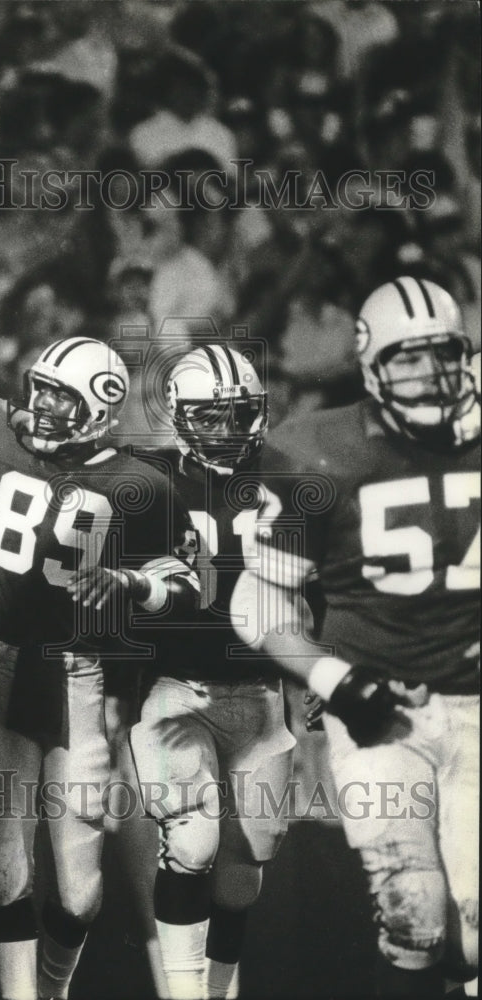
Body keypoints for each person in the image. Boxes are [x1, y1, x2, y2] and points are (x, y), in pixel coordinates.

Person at [0, 239, 200, 1000]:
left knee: (80, 897)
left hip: (78, 679)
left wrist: (132, 595)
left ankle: (49, 984)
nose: (41, 407)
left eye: (61, 399)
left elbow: (181, 584)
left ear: (101, 414)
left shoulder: (138, 483)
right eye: (40, 390)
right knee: (6, 869)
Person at [231, 277, 480, 998]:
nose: (429, 376)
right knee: (415, 915)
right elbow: (256, 600)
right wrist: (335, 682)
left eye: (442, 357)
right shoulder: (315, 451)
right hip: (379, 716)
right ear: (372, 368)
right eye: (407, 360)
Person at [130, 344, 296, 999]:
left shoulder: (286, 478)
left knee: (244, 866)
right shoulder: (145, 479)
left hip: (259, 690)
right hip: (175, 687)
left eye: (237, 415)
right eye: (210, 417)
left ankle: (220, 989)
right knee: (190, 843)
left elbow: (319, 581)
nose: (226, 431)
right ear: (177, 415)